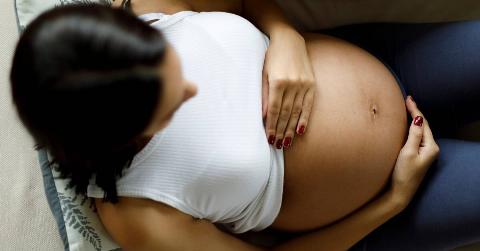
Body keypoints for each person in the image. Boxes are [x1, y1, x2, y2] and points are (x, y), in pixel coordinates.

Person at [9, 1, 479, 250]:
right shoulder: (137, 212)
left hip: (395, 63)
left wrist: (285, 35)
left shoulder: (141, 8)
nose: (191, 91)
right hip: (388, 201)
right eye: (170, 103)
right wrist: (393, 201)